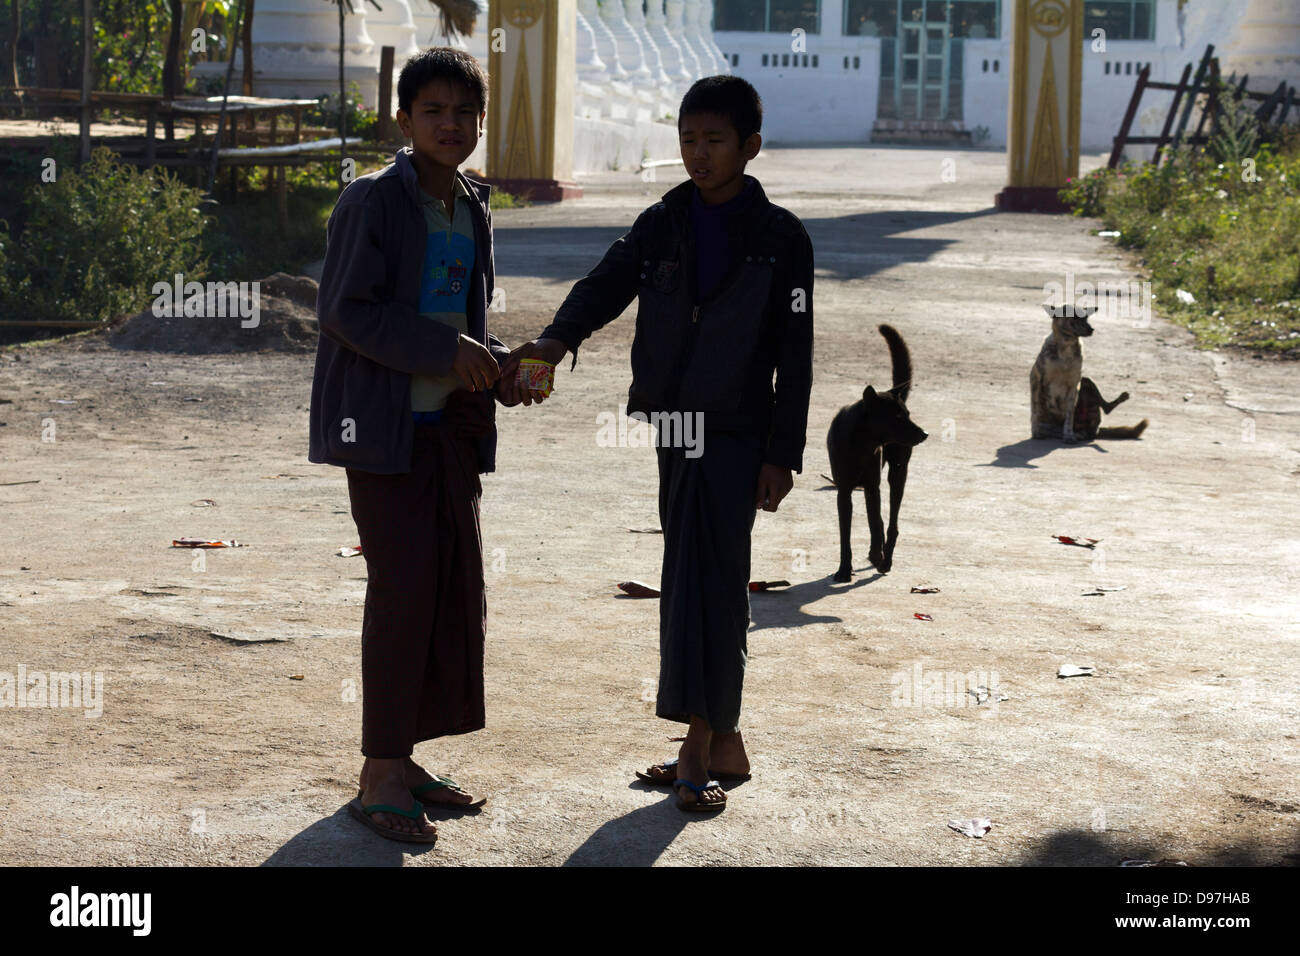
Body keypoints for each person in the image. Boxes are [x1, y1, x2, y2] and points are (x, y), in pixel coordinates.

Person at [503, 76, 814, 811]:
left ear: (750, 147)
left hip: (737, 429)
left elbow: (796, 355)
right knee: (693, 574)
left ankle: (697, 745)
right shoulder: (664, 220)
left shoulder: (782, 239)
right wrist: (551, 344)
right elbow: (605, 285)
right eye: (687, 140)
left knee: (708, 580)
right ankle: (725, 738)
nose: (697, 155)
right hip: (674, 425)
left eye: (713, 141)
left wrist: (783, 452)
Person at [308, 48, 535, 842]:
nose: (451, 125)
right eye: (433, 111)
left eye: (465, 113)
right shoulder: (373, 201)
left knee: (445, 596)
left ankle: (403, 760)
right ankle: (377, 773)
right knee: (402, 598)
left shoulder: (471, 204)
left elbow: (456, 320)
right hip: (382, 432)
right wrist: (447, 354)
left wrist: (499, 366)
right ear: (403, 120)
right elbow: (345, 311)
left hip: (450, 431)